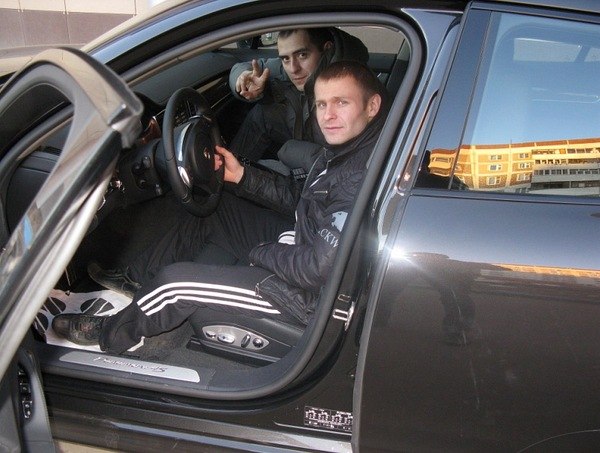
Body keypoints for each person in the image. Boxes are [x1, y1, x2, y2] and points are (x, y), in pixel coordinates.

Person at [52, 61, 387, 354]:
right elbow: (302, 199)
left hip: (306, 298)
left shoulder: (358, 175)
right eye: (322, 104)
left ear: (372, 106)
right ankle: (137, 283)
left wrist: (263, 252)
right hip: (304, 242)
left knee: (174, 284)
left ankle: (113, 334)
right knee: (218, 209)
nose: (328, 116)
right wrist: (241, 176)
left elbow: (316, 269)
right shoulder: (345, 152)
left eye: (341, 103)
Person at [228, 27, 368, 174]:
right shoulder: (286, 68)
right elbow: (242, 68)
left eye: (302, 55)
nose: (293, 69)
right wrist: (243, 78)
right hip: (303, 131)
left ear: (327, 49)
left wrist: (295, 153)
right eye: (285, 58)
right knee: (262, 113)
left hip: (335, 163)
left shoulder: (352, 82)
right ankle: (229, 169)